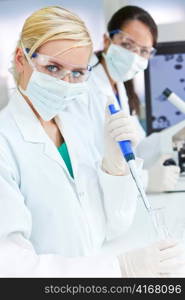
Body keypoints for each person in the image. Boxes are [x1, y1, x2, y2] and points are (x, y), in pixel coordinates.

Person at [0, 5, 184, 278]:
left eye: (77, 73)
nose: (65, 82)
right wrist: (120, 268)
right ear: (20, 59)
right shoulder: (5, 142)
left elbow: (112, 226)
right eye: (52, 67)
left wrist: (114, 168)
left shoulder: (73, 127)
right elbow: (12, 268)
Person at [88, 5, 180, 193]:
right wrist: (145, 181)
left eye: (144, 51)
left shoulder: (120, 87)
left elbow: (137, 147)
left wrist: (176, 134)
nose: (133, 56)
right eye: (127, 45)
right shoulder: (85, 87)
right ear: (107, 41)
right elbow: (91, 164)